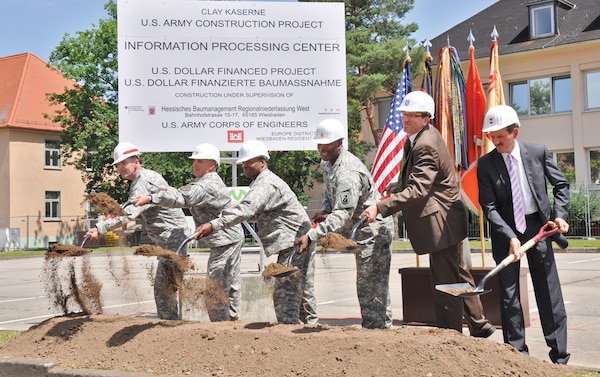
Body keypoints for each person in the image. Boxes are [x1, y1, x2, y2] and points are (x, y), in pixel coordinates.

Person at [360, 91, 495, 336]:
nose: (406, 118)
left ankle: (450, 334)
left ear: (427, 119)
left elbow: (419, 190)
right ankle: (479, 324)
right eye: (404, 114)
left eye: (413, 115)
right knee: (457, 273)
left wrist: (380, 207)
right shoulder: (419, 137)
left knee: (445, 283)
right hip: (445, 219)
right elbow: (423, 182)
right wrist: (398, 187)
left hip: (442, 222)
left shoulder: (424, 144)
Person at [477, 104, 570, 364]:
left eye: (500, 137)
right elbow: (489, 207)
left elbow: (561, 184)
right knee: (509, 297)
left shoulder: (537, 153)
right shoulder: (486, 164)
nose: (495, 142)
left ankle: (560, 358)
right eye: (491, 137)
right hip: (506, 231)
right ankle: (518, 358)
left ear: (515, 132)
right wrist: (510, 236)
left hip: (537, 228)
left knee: (549, 294)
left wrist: (559, 214)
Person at [194, 140, 318, 325]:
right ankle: (309, 330)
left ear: (263, 161)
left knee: (286, 296)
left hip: (297, 242)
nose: (245, 165)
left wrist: (214, 224)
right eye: (243, 162)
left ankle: (293, 336)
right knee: (302, 294)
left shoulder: (265, 184)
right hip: (296, 241)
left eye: (249, 161)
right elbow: (254, 213)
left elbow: (246, 210)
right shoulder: (260, 183)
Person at [295, 118, 395, 329]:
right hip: (361, 230)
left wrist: (312, 235)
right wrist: (325, 209)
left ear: (340, 143)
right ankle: (379, 328)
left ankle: (376, 331)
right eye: (320, 144)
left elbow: (343, 213)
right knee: (370, 285)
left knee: (370, 286)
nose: (322, 148)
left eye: (327, 144)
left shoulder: (348, 173)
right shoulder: (328, 162)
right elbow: (330, 194)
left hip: (373, 231)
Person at [132, 143, 244, 322]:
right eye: (194, 161)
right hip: (228, 238)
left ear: (212, 165)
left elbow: (185, 197)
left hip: (225, 240)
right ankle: (231, 320)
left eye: (200, 161)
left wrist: (151, 198)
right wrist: (174, 191)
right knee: (229, 283)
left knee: (216, 286)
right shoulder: (205, 182)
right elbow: (186, 193)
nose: (195, 164)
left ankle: (222, 327)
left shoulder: (207, 184)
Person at [85, 142, 191, 320]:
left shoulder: (142, 182)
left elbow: (128, 214)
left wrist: (99, 228)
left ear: (136, 161)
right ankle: (176, 323)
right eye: (118, 164)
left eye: (124, 162)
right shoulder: (143, 178)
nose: (120, 167)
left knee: (164, 287)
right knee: (170, 285)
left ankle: (172, 326)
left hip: (173, 239)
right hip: (172, 238)